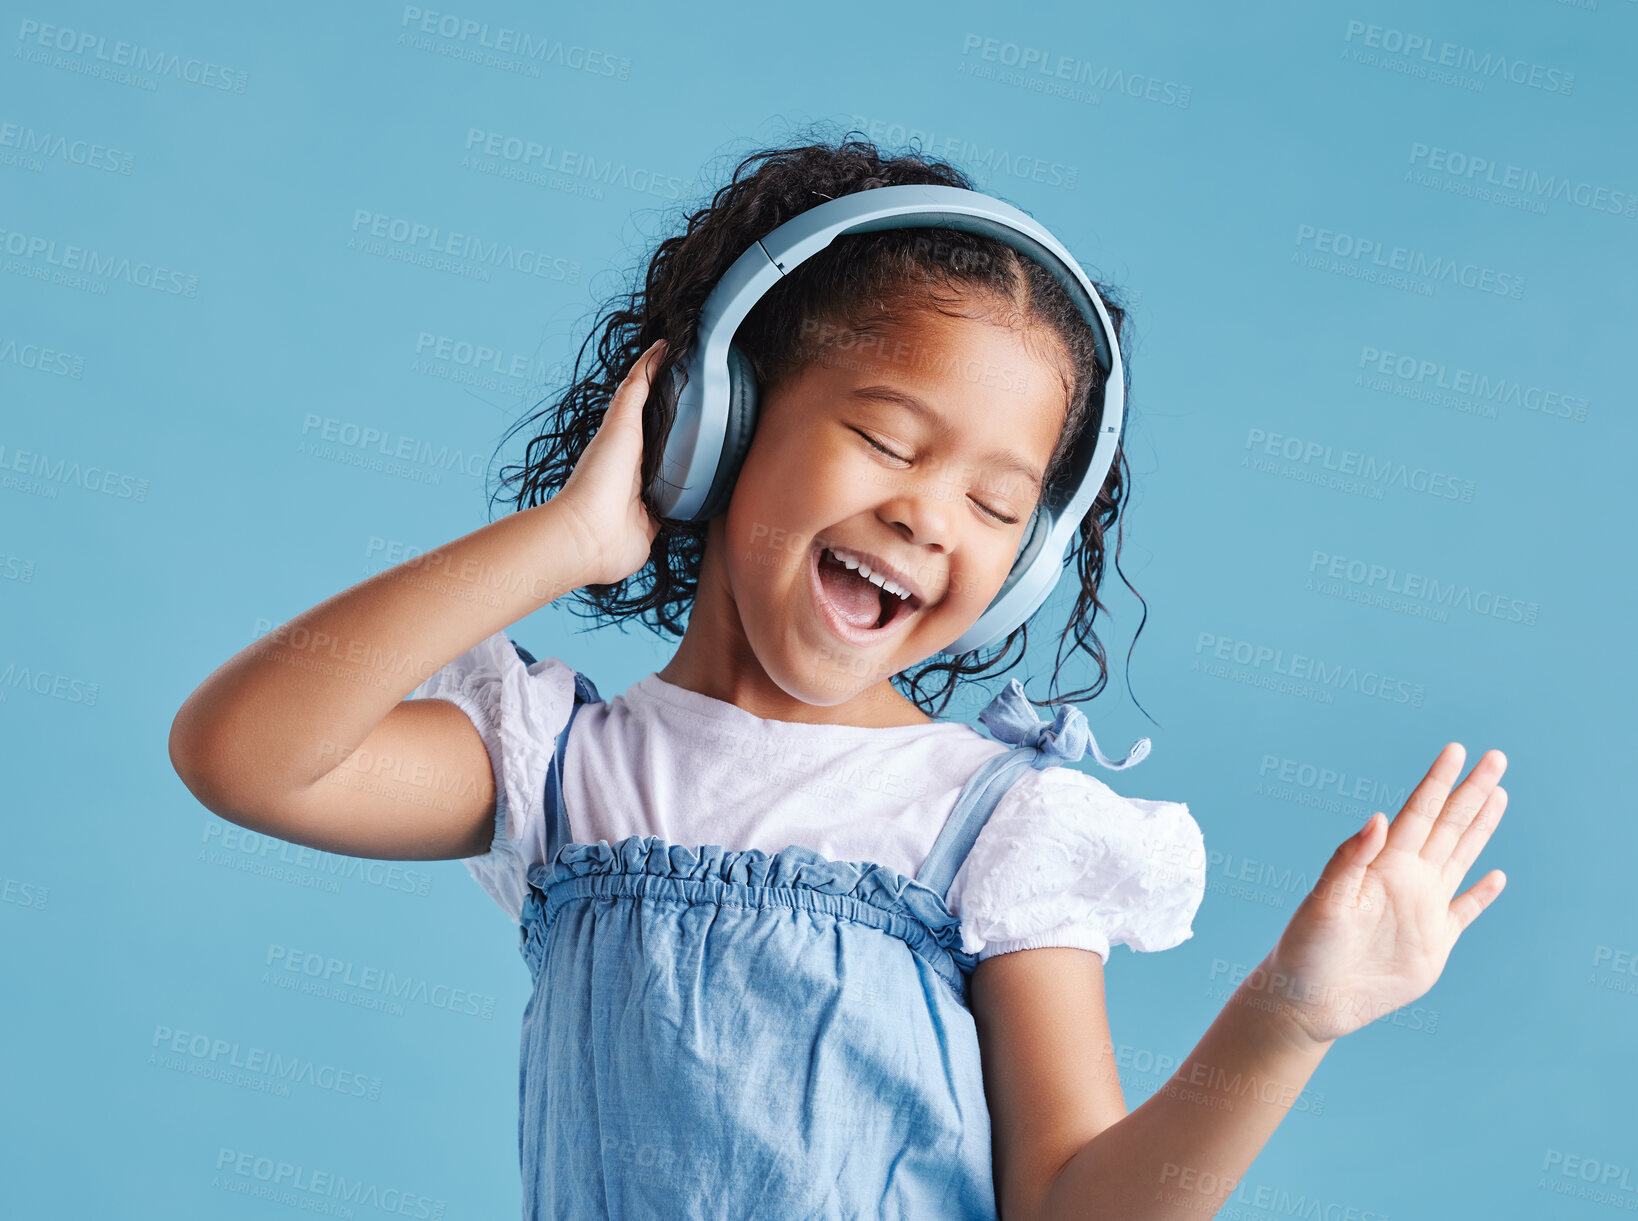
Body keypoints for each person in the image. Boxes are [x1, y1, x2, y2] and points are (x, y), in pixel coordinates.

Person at [168, 134, 1510, 1221]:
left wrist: (1287, 1018)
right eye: (883, 437)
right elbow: (245, 754)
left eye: (995, 505)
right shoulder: (564, 769)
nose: (932, 516)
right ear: (717, 423)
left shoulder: (995, 821)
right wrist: (564, 541)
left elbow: (1076, 1209)